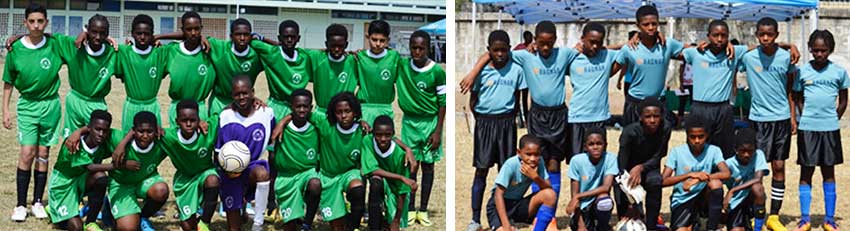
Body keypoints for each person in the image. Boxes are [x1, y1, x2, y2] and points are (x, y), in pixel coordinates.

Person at [461, 22, 579, 227]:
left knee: (551, 163)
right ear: (534, 41)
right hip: (526, 118)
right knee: (516, 163)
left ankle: (547, 216)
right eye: (541, 43)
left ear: (555, 41)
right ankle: (478, 217)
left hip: (554, 116)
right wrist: (473, 72)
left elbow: (587, 47)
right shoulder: (524, 56)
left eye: (549, 43)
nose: (545, 47)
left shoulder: (562, 54)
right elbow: (492, 53)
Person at [2, 3, 63, 221]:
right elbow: (8, 82)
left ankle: (37, 201)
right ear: (25, 22)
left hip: (50, 105)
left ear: (46, 22)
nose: (36, 25)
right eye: (32, 21)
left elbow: (81, 42)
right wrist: (5, 110)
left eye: (40, 21)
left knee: (44, 154)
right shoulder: (15, 49)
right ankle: (20, 204)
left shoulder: (55, 45)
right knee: (27, 152)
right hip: (28, 105)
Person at [736, 17, 797, 231]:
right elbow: (729, 48)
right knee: (757, 170)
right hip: (758, 120)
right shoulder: (749, 57)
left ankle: (774, 216)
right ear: (756, 34)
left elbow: (790, 90)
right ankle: (756, 215)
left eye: (769, 34)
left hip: (780, 119)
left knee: (779, 166)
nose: (765, 38)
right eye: (761, 34)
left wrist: (792, 116)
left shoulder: (786, 58)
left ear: (776, 35)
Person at [466, 29, 526, 231]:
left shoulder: (517, 70)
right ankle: (475, 219)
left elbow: (519, 99)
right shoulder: (481, 71)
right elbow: (473, 100)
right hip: (485, 123)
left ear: (509, 49)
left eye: (503, 50)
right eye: (495, 50)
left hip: (507, 123)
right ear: (489, 50)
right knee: (481, 170)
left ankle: (503, 218)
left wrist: (513, 119)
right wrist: (482, 120)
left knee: (506, 172)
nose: (500, 54)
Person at [791, 29, 847, 231]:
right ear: (810, 49)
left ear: (830, 50)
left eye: (823, 50)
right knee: (806, 172)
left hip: (829, 129)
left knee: (828, 172)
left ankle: (829, 219)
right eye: (815, 50)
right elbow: (797, 96)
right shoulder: (802, 71)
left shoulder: (839, 72)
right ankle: (805, 219)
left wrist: (833, 118)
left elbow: (843, 99)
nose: (819, 54)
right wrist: (803, 115)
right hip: (808, 129)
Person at [398, 30, 446, 226]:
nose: (417, 52)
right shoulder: (402, 65)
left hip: (430, 123)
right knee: (410, 166)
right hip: (410, 123)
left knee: (428, 167)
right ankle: (409, 209)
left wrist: (437, 131)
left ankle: (423, 209)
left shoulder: (437, 72)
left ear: (428, 49)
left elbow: (443, 103)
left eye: (421, 48)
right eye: (414, 48)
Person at [680, 20, 749, 158]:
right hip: (700, 108)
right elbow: (672, 49)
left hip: (723, 108)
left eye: (724, 36)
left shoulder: (735, 52)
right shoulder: (696, 53)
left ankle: (721, 178)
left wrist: (789, 45)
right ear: (708, 36)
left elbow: (761, 46)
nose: (719, 39)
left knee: (725, 151)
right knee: (697, 149)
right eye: (715, 35)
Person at [215, 75, 275, 231]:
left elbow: (274, 141)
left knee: (262, 173)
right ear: (231, 96)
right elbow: (217, 153)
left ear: (253, 92)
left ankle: (258, 224)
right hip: (230, 172)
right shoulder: (225, 116)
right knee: (234, 228)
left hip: (252, 167)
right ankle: (240, 206)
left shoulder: (266, 113)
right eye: (237, 94)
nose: (241, 97)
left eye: (245, 93)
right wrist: (226, 170)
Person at [159, 100, 220, 231]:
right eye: (184, 120)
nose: (188, 123)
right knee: (188, 226)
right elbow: (142, 130)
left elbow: (225, 111)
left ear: (199, 119)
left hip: (205, 173)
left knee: (213, 180)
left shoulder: (208, 130)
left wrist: (254, 100)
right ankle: (194, 217)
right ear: (176, 121)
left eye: (193, 120)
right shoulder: (169, 137)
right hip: (185, 181)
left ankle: (204, 223)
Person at [662, 115, 731, 231]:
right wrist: (688, 175)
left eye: (701, 137)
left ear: (707, 136)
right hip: (683, 198)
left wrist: (698, 179)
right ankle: (695, 222)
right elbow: (663, 181)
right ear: (687, 136)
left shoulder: (714, 150)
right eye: (692, 137)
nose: (697, 141)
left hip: (703, 197)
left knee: (716, 184)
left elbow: (726, 173)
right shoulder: (677, 152)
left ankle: (711, 227)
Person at [48, 110, 114, 231]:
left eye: (104, 131)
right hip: (63, 185)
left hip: (82, 180)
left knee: (101, 177)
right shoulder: (73, 143)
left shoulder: (104, 141)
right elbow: (90, 167)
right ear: (88, 128)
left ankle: (91, 222)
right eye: (97, 129)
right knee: (76, 228)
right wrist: (118, 166)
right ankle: (52, 209)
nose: (101, 134)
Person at [268, 89, 322, 231]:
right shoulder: (281, 129)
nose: (302, 110)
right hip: (286, 178)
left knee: (315, 184)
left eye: (305, 106)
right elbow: (272, 156)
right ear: (291, 107)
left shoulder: (316, 126)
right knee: (290, 227)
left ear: (311, 107)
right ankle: (291, 212)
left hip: (307, 173)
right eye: (298, 106)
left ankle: (307, 224)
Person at [615, 98, 671, 230]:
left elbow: (659, 155)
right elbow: (622, 163)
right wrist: (631, 201)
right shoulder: (629, 132)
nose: (652, 120)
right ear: (640, 117)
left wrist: (641, 167)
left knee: (655, 181)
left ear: (662, 116)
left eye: (656, 116)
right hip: (627, 169)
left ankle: (651, 224)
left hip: (649, 167)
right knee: (620, 189)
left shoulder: (666, 128)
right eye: (648, 116)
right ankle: (628, 220)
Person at [109, 111, 170, 231]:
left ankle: (143, 217)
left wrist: (200, 122)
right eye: (141, 131)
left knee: (161, 191)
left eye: (150, 131)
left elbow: (184, 131)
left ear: (156, 130)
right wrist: (78, 132)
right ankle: (110, 204)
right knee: (128, 228)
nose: (145, 136)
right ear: (133, 131)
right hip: (121, 185)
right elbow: (96, 128)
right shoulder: (118, 139)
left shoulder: (161, 141)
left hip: (145, 180)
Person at [566, 22, 620, 156]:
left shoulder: (607, 55)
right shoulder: (572, 57)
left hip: (599, 117)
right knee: (577, 160)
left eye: (599, 42)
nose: (595, 46)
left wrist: (635, 38)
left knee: (597, 160)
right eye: (591, 42)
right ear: (582, 39)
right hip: (577, 118)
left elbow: (628, 49)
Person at [486, 135, 557, 231]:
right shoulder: (511, 165)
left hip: (517, 203)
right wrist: (506, 226)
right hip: (498, 206)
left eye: (536, 154)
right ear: (519, 152)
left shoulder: (539, 162)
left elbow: (549, 188)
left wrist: (535, 177)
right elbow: (498, 195)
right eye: (528, 154)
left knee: (550, 195)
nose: (533, 158)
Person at [361, 115, 419, 231]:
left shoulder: (401, 156)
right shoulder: (367, 141)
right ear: (373, 133)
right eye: (378, 135)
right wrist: (401, 177)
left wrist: (396, 220)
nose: (383, 139)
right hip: (382, 181)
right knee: (376, 182)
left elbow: (403, 191)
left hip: (395, 190)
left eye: (387, 135)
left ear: (393, 134)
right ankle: (374, 225)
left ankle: (385, 221)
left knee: (392, 225)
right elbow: (373, 170)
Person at [158, 11, 216, 122]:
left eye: (197, 29)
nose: (193, 33)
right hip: (177, 108)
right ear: (183, 30)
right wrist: (157, 38)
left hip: (200, 109)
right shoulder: (171, 51)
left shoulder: (209, 49)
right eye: (189, 29)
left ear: (201, 29)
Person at [250, 20, 312, 121]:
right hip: (275, 106)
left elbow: (322, 52)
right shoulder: (271, 53)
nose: (289, 40)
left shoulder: (305, 57)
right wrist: (263, 39)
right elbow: (251, 39)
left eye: (293, 37)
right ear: (279, 38)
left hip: (298, 110)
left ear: (298, 38)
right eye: (285, 37)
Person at [115, 14, 167, 131]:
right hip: (132, 105)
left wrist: (161, 36)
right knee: (129, 140)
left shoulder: (160, 53)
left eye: (147, 34)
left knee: (154, 141)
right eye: (139, 33)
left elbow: (187, 37)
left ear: (152, 35)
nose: (142, 37)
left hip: (152, 105)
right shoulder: (124, 52)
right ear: (132, 33)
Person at [566, 128, 618, 231]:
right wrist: (581, 225)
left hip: (598, 201)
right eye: (591, 144)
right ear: (585, 147)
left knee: (605, 201)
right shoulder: (576, 161)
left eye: (599, 144)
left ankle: (602, 227)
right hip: (582, 206)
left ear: (605, 145)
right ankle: (581, 222)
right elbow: (574, 195)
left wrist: (579, 196)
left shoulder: (610, 158)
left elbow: (606, 187)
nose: (595, 147)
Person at [305, 24, 358, 118]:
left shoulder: (354, 61)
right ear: (326, 44)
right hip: (321, 114)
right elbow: (293, 49)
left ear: (346, 45)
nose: (336, 49)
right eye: (333, 46)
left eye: (340, 46)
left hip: (344, 116)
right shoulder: (316, 57)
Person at [356, 20, 402, 125]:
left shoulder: (394, 57)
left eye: (382, 40)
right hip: (365, 108)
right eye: (374, 39)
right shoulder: (359, 57)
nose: (378, 44)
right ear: (367, 37)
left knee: (384, 140)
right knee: (365, 140)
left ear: (388, 40)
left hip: (385, 108)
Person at [722, 128, 769, 231]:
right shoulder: (728, 164)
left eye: (750, 151)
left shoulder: (759, 155)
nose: (746, 154)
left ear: (755, 149)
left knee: (758, 188)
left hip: (752, 199)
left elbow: (758, 179)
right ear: (736, 149)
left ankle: (758, 228)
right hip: (735, 202)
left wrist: (733, 190)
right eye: (743, 151)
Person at [676, 44, 695, 126]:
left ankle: (693, 122)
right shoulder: (684, 59)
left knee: (693, 103)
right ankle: (679, 123)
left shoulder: (698, 59)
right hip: (685, 84)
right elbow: (680, 71)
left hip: (695, 84)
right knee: (682, 103)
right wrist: (681, 84)